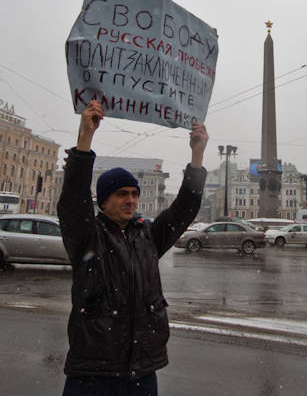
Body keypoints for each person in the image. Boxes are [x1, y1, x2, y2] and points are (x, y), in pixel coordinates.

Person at [58, 100, 209, 396]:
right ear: (103, 201)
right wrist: (84, 139)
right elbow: (73, 200)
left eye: (134, 195)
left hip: (142, 372)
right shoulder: (88, 236)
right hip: (93, 374)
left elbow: (183, 210)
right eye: (121, 194)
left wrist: (197, 154)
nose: (130, 200)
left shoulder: (147, 236)